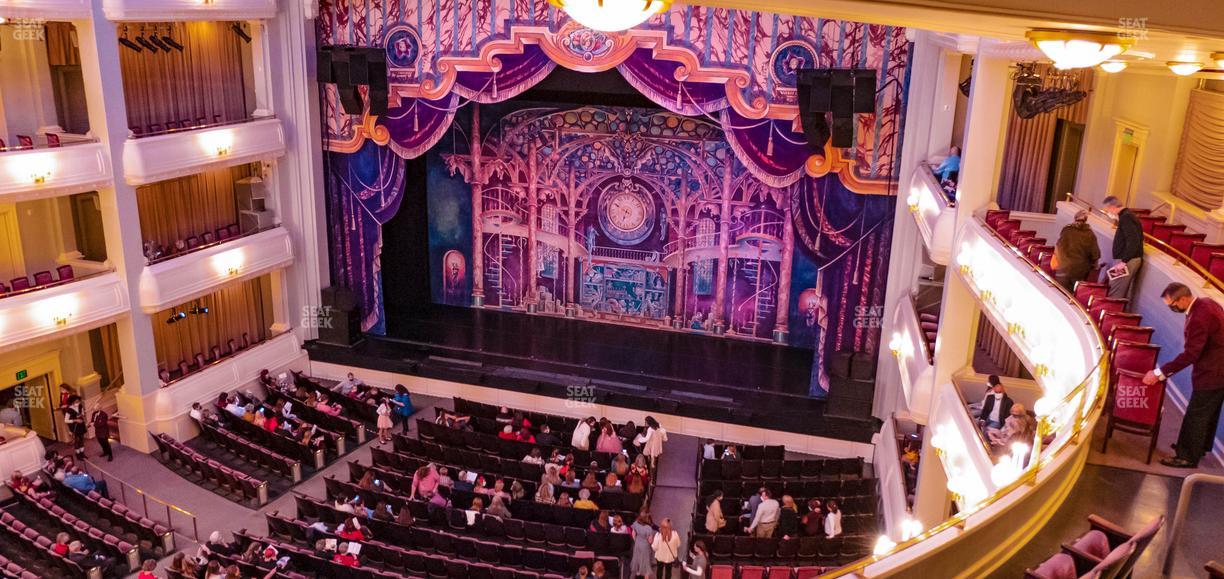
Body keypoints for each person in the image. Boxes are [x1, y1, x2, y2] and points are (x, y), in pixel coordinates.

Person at [1144, 283, 1224, 468]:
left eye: (1172, 304)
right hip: (1219, 371)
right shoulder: (1207, 303)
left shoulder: (1198, 317)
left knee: (1197, 414)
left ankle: (1186, 456)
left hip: (1212, 372)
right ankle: (1199, 447)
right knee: (1209, 414)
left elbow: (1191, 354)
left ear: (1183, 299)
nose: (1172, 309)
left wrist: (1160, 373)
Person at [1100, 196, 1144, 299]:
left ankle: (1110, 313)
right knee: (1115, 286)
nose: (1108, 213)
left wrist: (1123, 262)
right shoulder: (1126, 216)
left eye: (1107, 210)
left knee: (1116, 290)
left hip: (1127, 261)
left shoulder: (1126, 217)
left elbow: (1133, 241)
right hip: (1126, 260)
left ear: (1112, 207)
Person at [1052, 209, 1101, 291]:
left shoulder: (1067, 230)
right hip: (1080, 271)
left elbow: (1058, 246)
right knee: (1073, 298)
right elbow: (1095, 254)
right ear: (1086, 221)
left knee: (1060, 294)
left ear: (1075, 218)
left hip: (1063, 268)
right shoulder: (1090, 234)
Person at [630, 512, 655, 579]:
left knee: (637, 560)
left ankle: (638, 574)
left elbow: (633, 534)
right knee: (646, 563)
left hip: (637, 544)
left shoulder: (635, 524)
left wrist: (637, 541)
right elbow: (650, 541)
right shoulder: (648, 528)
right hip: (645, 546)